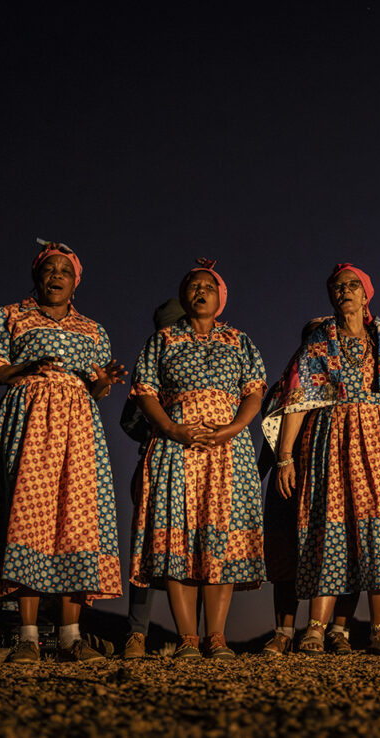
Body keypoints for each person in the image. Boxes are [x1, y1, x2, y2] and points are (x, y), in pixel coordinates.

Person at [0, 239, 126, 663]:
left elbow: (96, 387)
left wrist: (105, 382)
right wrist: (23, 368)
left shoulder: (94, 329)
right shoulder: (10, 316)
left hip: (78, 427)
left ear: (75, 283)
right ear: (36, 276)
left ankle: (71, 636)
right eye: (49, 269)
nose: (56, 275)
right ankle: (27, 638)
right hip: (26, 419)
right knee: (27, 517)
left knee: (76, 520)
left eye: (65, 270)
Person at [263, 263, 380, 656]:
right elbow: (297, 400)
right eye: (337, 287)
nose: (345, 292)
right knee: (328, 525)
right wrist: (285, 458)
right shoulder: (318, 344)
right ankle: (316, 630)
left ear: (366, 293)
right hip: (332, 440)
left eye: (353, 285)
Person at [130, 259, 267, 660]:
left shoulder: (239, 339)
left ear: (220, 297)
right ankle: (188, 638)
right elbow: (145, 391)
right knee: (179, 538)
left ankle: (217, 636)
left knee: (217, 540)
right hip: (176, 446)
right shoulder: (163, 340)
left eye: (208, 285)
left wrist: (234, 427)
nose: (200, 291)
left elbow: (254, 390)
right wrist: (171, 429)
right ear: (183, 295)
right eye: (192, 285)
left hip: (228, 448)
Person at [118, 298, 185, 659]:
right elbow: (129, 419)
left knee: (199, 550)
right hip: (157, 464)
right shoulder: (154, 364)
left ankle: (196, 636)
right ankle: (137, 634)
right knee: (147, 547)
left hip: (203, 463)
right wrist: (160, 429)